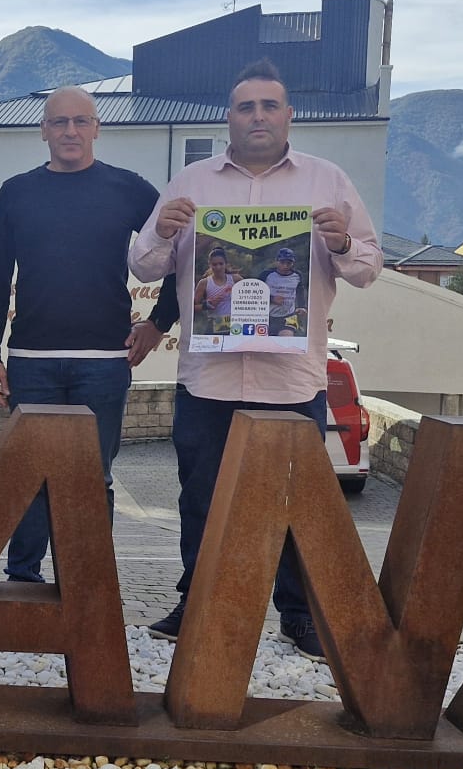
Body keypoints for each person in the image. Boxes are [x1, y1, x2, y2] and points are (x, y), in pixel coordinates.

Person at [129, 57, 381, 657]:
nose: (258, 116)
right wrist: (162, 232)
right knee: (200, 496)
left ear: (289, 116)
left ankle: (298, 614)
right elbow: (141, 266)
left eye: (269, 106)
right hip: (208, 378)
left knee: (296, 504)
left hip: (291, 380)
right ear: (229, 117)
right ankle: (199, 601)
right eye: (247, 107)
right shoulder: (191, 182)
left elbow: (369, 267)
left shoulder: (328, 181)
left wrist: (342, 241)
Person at [0, 86, 181, 584]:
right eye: (60, 122)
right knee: (28, 476)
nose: (71, 131)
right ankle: (22, 580)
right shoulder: (16, 192)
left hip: (103, 362)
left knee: (94, 478)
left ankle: (87, 585)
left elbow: (183, 254)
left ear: (97, 127)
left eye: (81, 121)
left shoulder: (129, 189)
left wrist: (159, 323)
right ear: (43, 130)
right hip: (30, 358)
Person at [265, 247, 303, 335]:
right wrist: (272, 299)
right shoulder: (266, 274)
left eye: (289, 263)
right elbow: (256, 293)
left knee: (287, 339)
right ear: (276, 261)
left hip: (289, 316)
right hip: (268, 316)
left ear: (293, 263)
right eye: (282, 262)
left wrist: (302, 307)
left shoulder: (297, 276)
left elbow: (300, 292)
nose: (285, 266)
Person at [192, 249, 237, 323]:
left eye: (221, 264)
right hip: (215, 325)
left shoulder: (235, 279)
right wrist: (206, 305)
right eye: (214, 264)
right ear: (209, 265)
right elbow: (191, 308)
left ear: (226, 264)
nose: (218, 267)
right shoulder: (204, 283)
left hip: (234, 324)